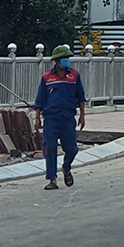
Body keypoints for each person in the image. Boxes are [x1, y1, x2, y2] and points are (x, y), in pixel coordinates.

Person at [34, 44, 87, 190]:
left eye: (67, 58)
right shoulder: (47, 77)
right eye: (64, 58)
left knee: (72, 149)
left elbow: (81, 97)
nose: (66, 60)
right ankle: (52, 179)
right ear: (57, 61)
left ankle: (66, 167)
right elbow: (40, 99)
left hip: (68, 118)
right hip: (51, 118)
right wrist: (37, 117)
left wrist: (82, 115)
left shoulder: (74, 76)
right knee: (49, 148)